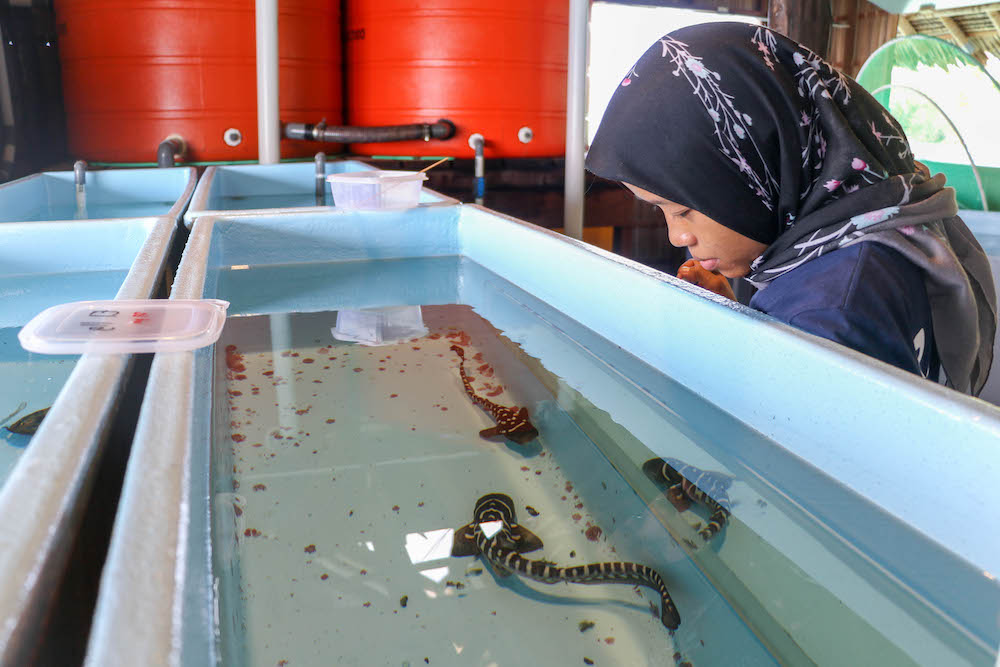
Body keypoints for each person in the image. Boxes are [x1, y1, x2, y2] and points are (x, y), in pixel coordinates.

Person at [586, 22, 997, 395]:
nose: (678, 236)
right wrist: (740, 320)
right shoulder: (883, 226)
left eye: (681, 210)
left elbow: (777, 452)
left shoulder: (825, 317)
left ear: (752, 175)